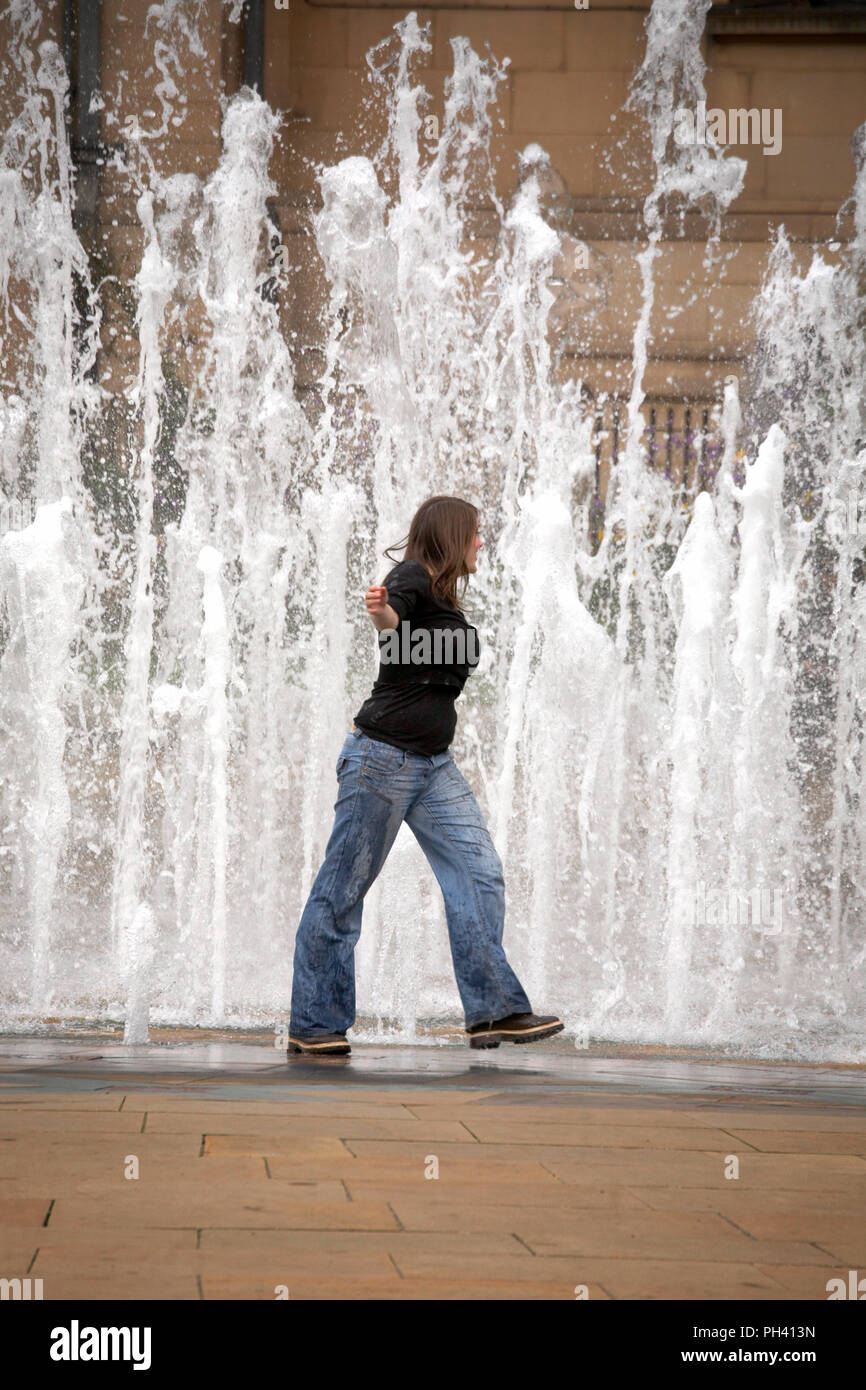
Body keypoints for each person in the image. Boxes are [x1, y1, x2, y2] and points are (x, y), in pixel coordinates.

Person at [288, 494, 563, 1056]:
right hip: (381, 759)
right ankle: (315, 1024)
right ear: (452, 535)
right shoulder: (411, 577)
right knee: (341, 891)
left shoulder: (444, 600)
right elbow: (393, 617)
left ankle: (493, 1011)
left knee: (480, 872)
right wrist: (381, 612)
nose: (481, 542)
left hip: (435, 767)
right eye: (475, 534)